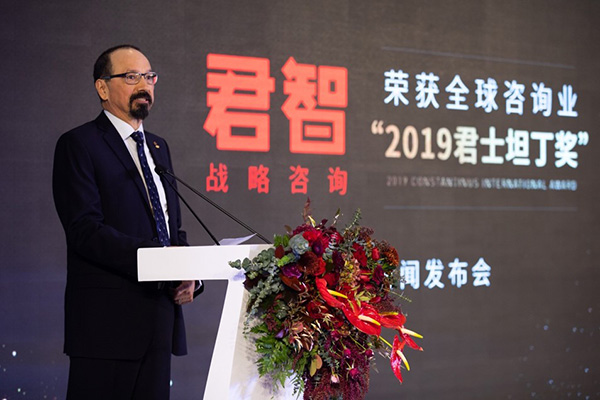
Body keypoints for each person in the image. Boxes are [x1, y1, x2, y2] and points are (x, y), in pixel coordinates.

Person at [53, 44, 200, 399]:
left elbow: (171, 227)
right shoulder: (79, 144)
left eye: (149, 77)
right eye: (131, 77)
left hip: (159, 321)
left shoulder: (158, 147)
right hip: (106, 326)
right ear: (102, 88)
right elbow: (85, 230)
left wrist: (187, 273)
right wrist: (159, 261)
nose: (144, 85)